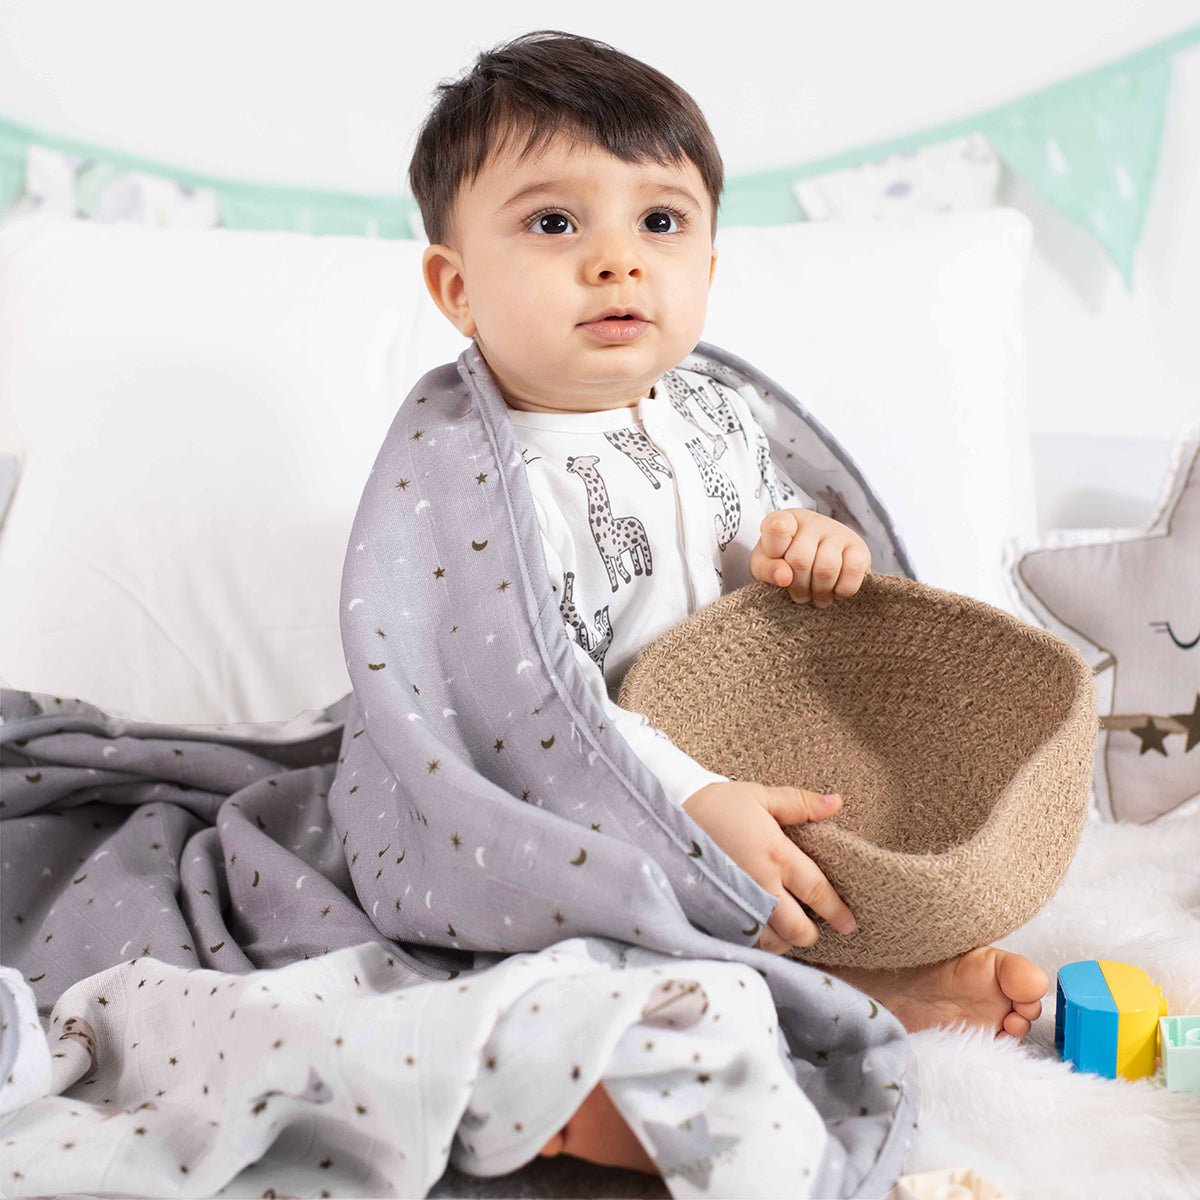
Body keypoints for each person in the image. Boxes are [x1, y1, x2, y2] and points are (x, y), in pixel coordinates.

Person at [408, 29, 1049, 1173]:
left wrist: (805, 546)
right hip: (567, 799)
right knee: (579, 956)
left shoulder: (712, 411)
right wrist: (691, 797)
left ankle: (856, 972)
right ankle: (600, 1083)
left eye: (659, 222)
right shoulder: (483, 477)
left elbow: (758, 565)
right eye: (555, 224)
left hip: (721, 753)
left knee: (833, 849)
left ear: (708, 264)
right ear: (458, 288)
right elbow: (513, 692)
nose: (617, 261)